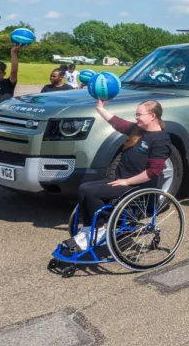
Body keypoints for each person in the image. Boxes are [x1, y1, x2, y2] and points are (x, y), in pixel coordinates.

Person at [63, 99, 171, 252]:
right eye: (136, 114)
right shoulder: (138, 130)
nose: (136, 117)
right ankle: (89, 230)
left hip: (138, 188)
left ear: (152, 116)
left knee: (91, 192)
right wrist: (100, 108)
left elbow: (153, 172)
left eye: (139, 114)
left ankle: (99, 230)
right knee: (83, 188)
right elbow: (117, 122)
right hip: (121, 182)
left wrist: (127, 182)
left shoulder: (161, 139)